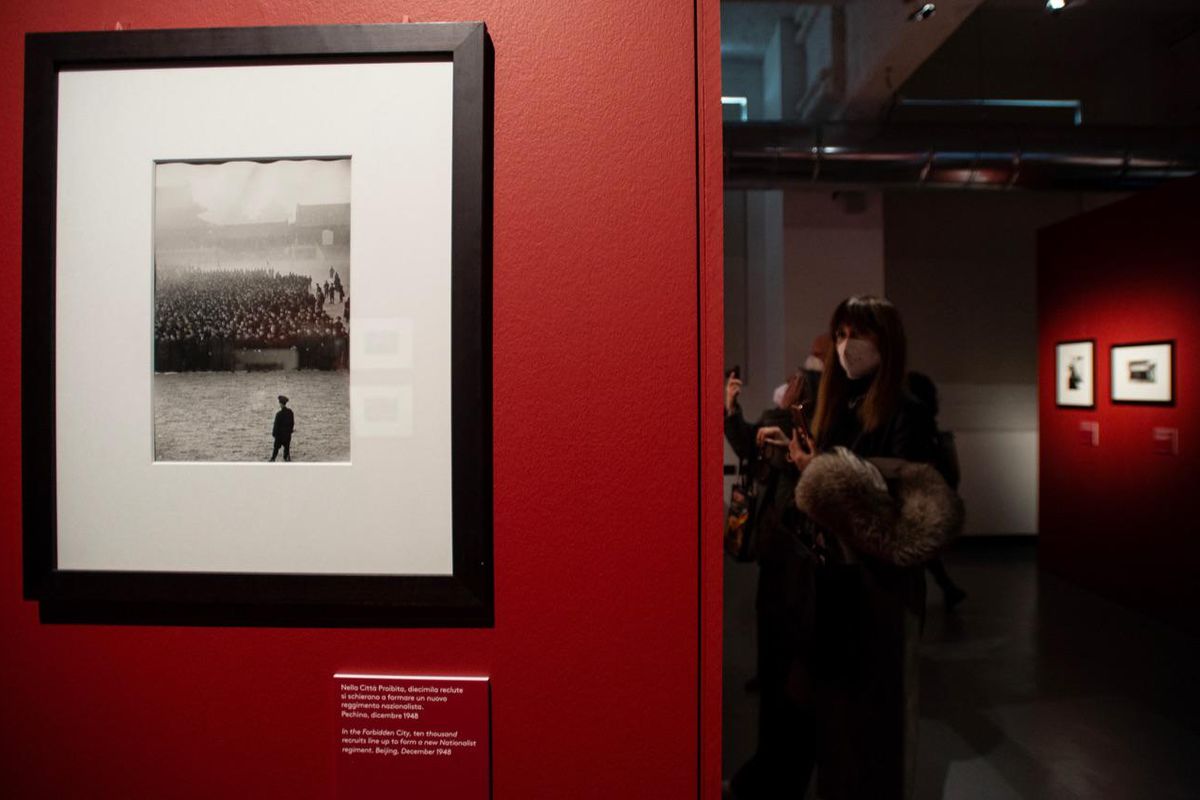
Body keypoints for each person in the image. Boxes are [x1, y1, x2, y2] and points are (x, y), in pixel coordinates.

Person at [762, 296, 959, 800]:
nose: (847, 346)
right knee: (829, 718)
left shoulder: (904, 410)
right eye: (841, 334)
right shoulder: (839, 400)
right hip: (830, 582)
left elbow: (901, 515)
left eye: (858, 334)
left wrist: (818, 473)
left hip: (877, 593)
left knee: (870, 725)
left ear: (885, 341)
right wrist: (799, 462)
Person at [270, 395, 295, 462]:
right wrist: (290, 432)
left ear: (281, 404)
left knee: (275, 450)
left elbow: (276, 426)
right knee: (286, 450)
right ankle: (286, 460)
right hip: (287, 436)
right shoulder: (290, 412)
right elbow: (292, 423)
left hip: (279, 436)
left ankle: (272, 460)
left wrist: (274, 434)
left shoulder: (279, 414)